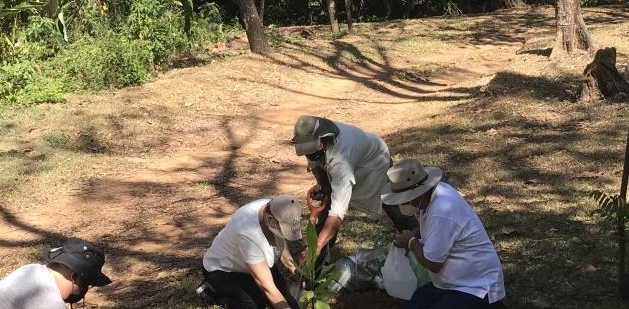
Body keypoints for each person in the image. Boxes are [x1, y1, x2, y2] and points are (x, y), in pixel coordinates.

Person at [291, 116, 417, 264]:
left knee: (393, 204)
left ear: (324, 141)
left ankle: (419, 243)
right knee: (326, 210)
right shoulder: (310, 142)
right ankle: (320, 261)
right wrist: (324, 188)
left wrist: (316, 247)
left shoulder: (341, 157)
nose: (311, 156)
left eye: (314, 153)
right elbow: (316, 164)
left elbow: (338, 211)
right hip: (353, 162)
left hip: (376, 163)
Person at [382, 158, 505, 308]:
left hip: (475, 287)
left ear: (417, 194)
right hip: (448, 284)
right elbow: (434, 228)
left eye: (405, 200)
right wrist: (415, 234)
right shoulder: (435, 194)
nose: (403, 204)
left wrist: (411, 243)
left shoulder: (441, 210)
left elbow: (433, 264)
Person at [202, 194, 304, 309]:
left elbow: (281, 236)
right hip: (224, 270)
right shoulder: (248, 234)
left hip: (253, 263)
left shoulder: (274, 208)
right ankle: (213, 293)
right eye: (283, 229)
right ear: (270, 220)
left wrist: (292, 265)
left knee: (287, 299)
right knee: (254, 305)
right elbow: (267, 287)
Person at [0, 237, 112, 309]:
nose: (84, 291)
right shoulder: (48, 299)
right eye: (86, 284)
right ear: (74, 277)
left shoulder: (31, 270)